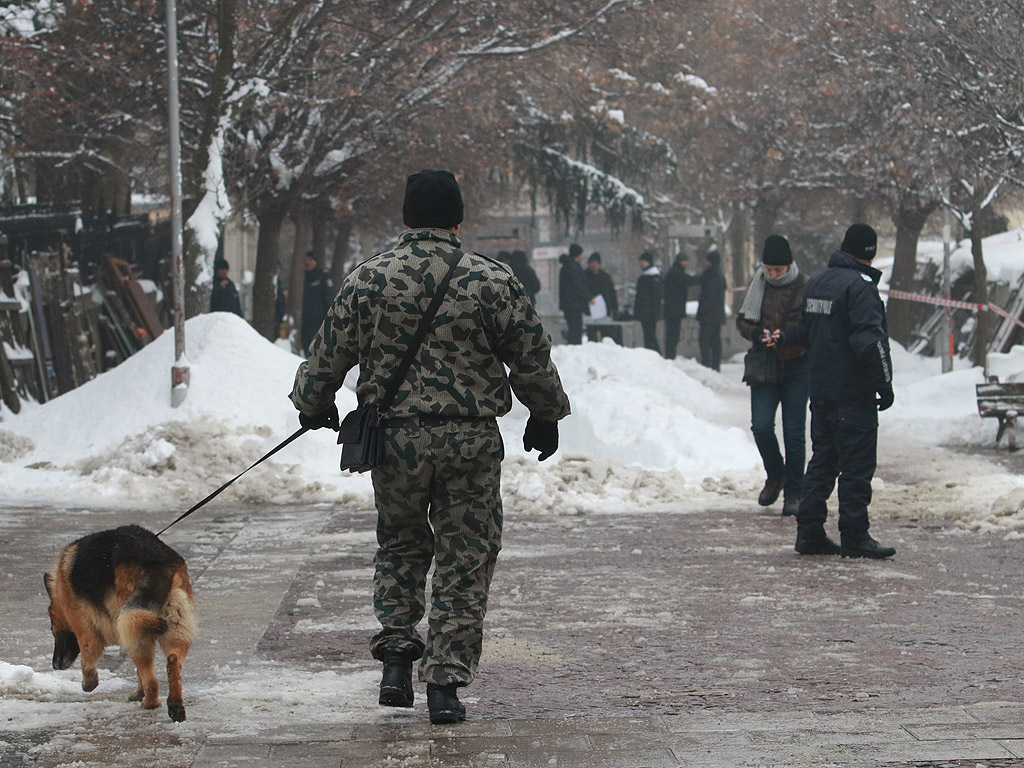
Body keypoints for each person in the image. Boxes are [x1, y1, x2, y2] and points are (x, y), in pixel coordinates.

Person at [290, 169, 571, 724]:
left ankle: (396, 655)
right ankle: (445, 681)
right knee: (465, 555)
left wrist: (313, 402)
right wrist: (546, 413)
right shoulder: (491, 280)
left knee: (400, 545)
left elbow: (328, 353)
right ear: (458, 220)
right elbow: (531, 355)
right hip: (469, 439)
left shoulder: (370, 278)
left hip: (393, 439)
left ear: (405, 219)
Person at [795, 223, 896, 559]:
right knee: (856, 466)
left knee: (822, 461)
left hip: (821, 390)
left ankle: (808, 532)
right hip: (853, 394)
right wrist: (884, 383)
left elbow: (804, 332)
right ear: (870, 252)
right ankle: (855, 536)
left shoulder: (818, 282)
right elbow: (871, 341)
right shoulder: (861, 287)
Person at [736, 236, 808, 517]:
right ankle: (775, 474)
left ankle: (794, 494)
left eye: (778, 270)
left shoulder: (806, 285)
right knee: (761, 426)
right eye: (769, 269)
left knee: (794, 433)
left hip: (797, 366)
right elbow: (742, 320)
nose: (773, 275)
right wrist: (756, 334)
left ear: (789, 266)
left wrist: (787, 335)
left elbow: (812, 325)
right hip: (764, 365)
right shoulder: (758, 285)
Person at [663, 252, 698, 360]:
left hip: (673, 309)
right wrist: (703, 277)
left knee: (673, 334)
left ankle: (670, 356)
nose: (687, 263)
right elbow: (688, 280)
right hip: (674, 310)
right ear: (681, 262)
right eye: (686, 261)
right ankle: (670, 357)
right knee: (673, 335)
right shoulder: (676, 272)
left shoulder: (674, 272)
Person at [696, 249, 727, 371]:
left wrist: (703, 312)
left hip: (708, 315)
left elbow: (708, 296)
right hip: (717, 315)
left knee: (705, 341)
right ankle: (715, 366)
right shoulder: (719, 275)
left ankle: (707, 366)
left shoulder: (711, 275)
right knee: (715, 342)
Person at [301, 251, 334, 352]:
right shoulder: (302, 277)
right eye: (306, 260)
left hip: (318, 319)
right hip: (305, 320)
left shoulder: (323, 276)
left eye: (311, 260)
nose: (308, 262)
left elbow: (329, 297)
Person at [558, 243, 588, 344]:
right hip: (575, 304)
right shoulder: (573, 267)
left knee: (572, 327)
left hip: (567, 303)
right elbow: (577, 286)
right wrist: (588, 297)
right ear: (578, 255)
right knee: (575, 329)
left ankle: (572, 346)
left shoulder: (566, 267)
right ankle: (574, 347)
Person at [634, 251, 662, 354]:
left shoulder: (652, 277)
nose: (641, 264)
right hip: (645, 312)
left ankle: (654, 354)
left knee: (650, 336)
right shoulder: (646, 277)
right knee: (648, 335)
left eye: (643, 262)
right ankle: (652, 354)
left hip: (649, 312)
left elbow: (655, 296)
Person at [583, 252, 618, 320]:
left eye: (596, 262)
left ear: (599, 264)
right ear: (589, 264)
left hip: (605, 310)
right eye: (592, 262)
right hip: (590, 311)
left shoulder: (605, 277)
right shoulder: (584, 276)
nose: (594, 264)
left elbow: (612, 294)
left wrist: (614, 309)